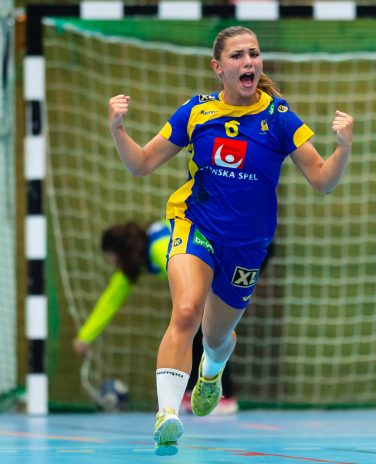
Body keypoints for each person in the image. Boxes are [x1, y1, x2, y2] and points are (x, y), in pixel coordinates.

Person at [107, 25, 353, 456]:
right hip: (195, 225)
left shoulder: (279, 117)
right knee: (186, 311)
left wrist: (344, 147)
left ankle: (213, 369)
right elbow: (141, 164)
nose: (248, 62)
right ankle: (167, 414)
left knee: (217, 337)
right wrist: (117, 129)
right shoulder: (196, 112)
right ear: (218, 67)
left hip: (247, 246)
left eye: (253, 54)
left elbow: (322, 181)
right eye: (237, 56)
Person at [72, 221, 240, 414]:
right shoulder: (141, 257)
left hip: (225, 260)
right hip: (215, 267)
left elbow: (198, 268)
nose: (112, 264)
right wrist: (85, 336)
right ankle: (194, 392)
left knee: (206, 333)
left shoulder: (160, 248)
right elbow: (110, 300)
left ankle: (224, 397)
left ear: (121, 253)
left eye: (112, 258)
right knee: (198, 331)